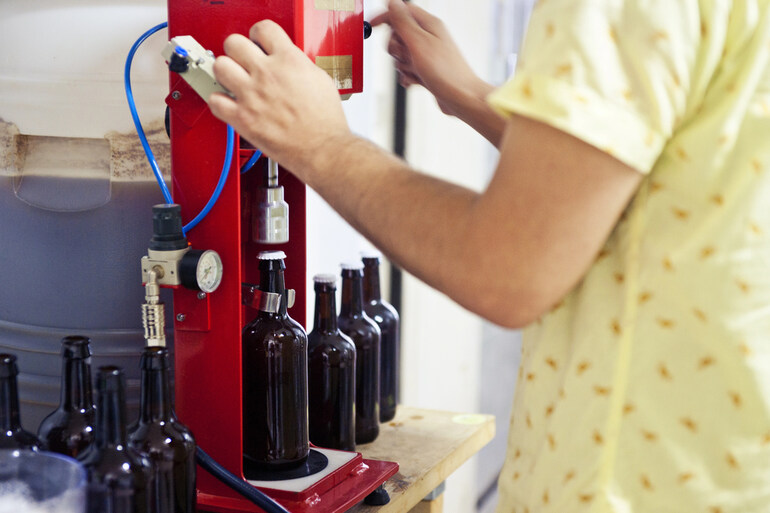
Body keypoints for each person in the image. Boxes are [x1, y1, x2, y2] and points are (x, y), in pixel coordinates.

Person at [210, 0, 770, 511]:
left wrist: (321, 145)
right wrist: (473, 97)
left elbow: (507, 270)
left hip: (632, 482)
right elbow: (645, 175)